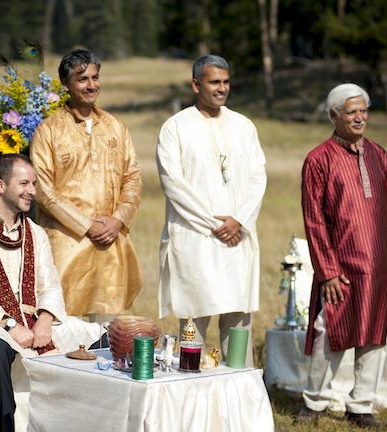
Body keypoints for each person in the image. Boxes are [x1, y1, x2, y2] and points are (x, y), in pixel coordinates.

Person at [0, 154, 104, 432]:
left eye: (34, 184)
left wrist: (44, 318)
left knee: (99, 338)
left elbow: (50, 285)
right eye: (24, 183)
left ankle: (87, 421)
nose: (32, 191)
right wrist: (8, 323)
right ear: (0, 185)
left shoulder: (34, 232)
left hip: (34, 323)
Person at [296, 83, 387, 429]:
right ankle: (314, 403)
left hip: (377, 266)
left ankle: (361, 406)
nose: (360, 118)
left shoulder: (380, 155)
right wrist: (327, 271)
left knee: (374, 335)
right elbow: (314, 220)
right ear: (334, 116)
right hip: (340, 266)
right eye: (351, 112)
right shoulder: (318, 160)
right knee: (328, 332)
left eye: (363, 111)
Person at [156, 54, 267, 364]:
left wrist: (240, 221)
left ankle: (239, 393)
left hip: (237, 237)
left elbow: (258, 178)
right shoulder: (175, 128)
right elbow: (173, 184)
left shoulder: (244, 126)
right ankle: (191, 390)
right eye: (214, 82)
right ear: (195, 85)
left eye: (226, 82)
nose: (221, 88)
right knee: (194, 318)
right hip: (196, 238)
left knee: (237, 320)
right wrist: (215, 225)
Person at [31, 49, 142, 322]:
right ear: (65, 84)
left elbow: (132, 178)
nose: (91, 85)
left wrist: (118, 220)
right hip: (67, 244)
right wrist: (86, 225)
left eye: (95, 77)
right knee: (65, 331)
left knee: (108, 337)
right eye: (82, 79)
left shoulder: (115, 127)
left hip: (111, 243)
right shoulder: (49, 129)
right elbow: (43, 190)